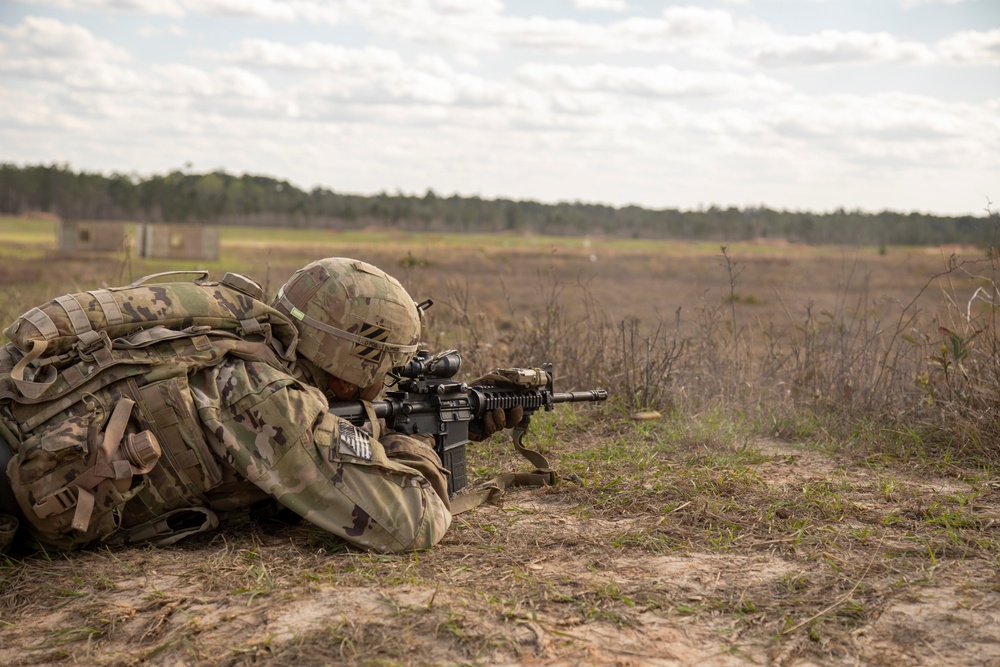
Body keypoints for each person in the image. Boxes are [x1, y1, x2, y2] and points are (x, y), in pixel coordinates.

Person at [0, 257, 515, 554]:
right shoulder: (269, 399)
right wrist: (414, 440)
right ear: (350, 366)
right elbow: (412, 524)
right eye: (388, 365)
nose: (389, 380)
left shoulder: (233, 332)